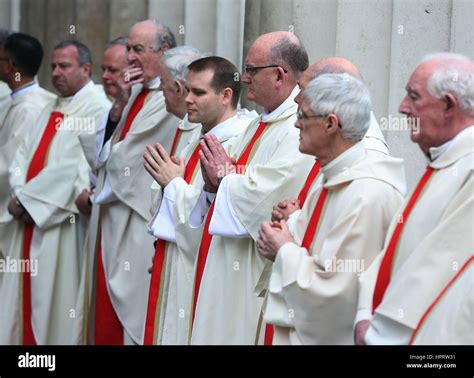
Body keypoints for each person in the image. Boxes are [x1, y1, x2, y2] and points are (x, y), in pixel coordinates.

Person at [183, 31, 315, 344]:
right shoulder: (256, 123)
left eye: (251, 70)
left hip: (252, 268)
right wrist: (222, 179)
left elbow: (274, 189)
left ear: (279, 75)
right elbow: (232, 175)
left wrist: (225, 179)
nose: (244, 77)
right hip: (225, 258)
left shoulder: (300, 125)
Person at [256, 73, 405, 344]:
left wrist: (283, 249)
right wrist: (287, 230)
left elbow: (338, 295)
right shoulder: (335, 175)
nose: (296, 124)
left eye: (303, 115)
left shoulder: (367, 193)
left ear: (330, 123)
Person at [355, 53, 474, 345]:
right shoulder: (443, 162)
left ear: (448, 104)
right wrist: (363, 313)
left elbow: (439, 265)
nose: (402, 108)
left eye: (413, 97)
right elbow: (393, 251)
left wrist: (380, 334)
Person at [0, 39, 111, 345]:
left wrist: (25, 199)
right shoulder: (51, 104)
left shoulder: (98, 106)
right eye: (53, 66)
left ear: (86, 69)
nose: (56, 73)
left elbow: (73, 167)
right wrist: (19, 190)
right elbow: (21, 154)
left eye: (64, 66)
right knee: (20, 305)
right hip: (29, 218)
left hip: (59, 223)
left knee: (54, 303)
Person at [76, 19, 179, 345]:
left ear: (164, 51)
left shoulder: (168, 98)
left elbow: (120, 161)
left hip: (136, 222)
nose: (130, 57)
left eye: (138, 49)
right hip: (110, 223)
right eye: (129, 49)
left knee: (132, 316)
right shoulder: (135, 93)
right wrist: (119, 102)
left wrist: (104, 173)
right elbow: (100, 154)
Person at [144, 56, 256, 345]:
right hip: (178, 260)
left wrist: (173, 184)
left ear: (226, 95)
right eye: (187, 90)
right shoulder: (199, 136)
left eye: (198, 92)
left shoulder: (236, 142)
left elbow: (213, 215)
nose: (188, 99)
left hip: (204, 270)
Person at [0, 33, 56, 267]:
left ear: (9, 65)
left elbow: (11, 165)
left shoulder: (30, 109)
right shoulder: (28, 101)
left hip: (15, 211)